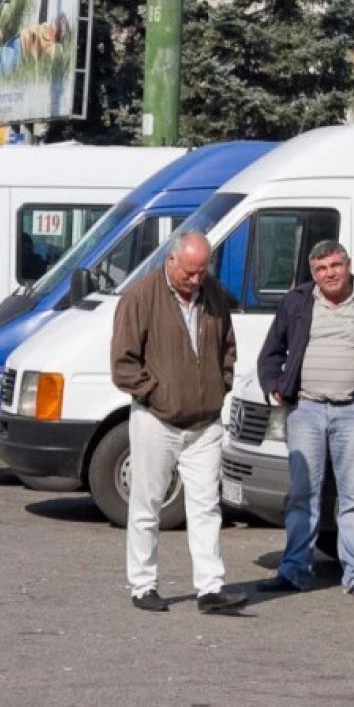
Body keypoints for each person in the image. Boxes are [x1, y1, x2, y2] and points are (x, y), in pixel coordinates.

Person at [254, 241, 354, 599]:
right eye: (322, 269)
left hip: (353, 412)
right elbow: (271, 351)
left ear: (348, 265)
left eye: (336, 266)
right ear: (313, 273)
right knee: (302, 494)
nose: (330, 274)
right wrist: (274, 384)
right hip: (305, 409)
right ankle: (293, 571)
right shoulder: (297, 302)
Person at [110, 231, 247, 614]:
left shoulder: (214, 294)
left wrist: (220, 387)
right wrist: (157, 395)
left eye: (202, 271)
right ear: (171, 261)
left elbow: (227, 348)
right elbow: (123, 363)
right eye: (189, 272)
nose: (195, 280)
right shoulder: (141, 296)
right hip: (158, 419)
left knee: (206, 506)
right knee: (146, 504)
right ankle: (142, 585)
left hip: (204, 422)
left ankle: (210, 588)